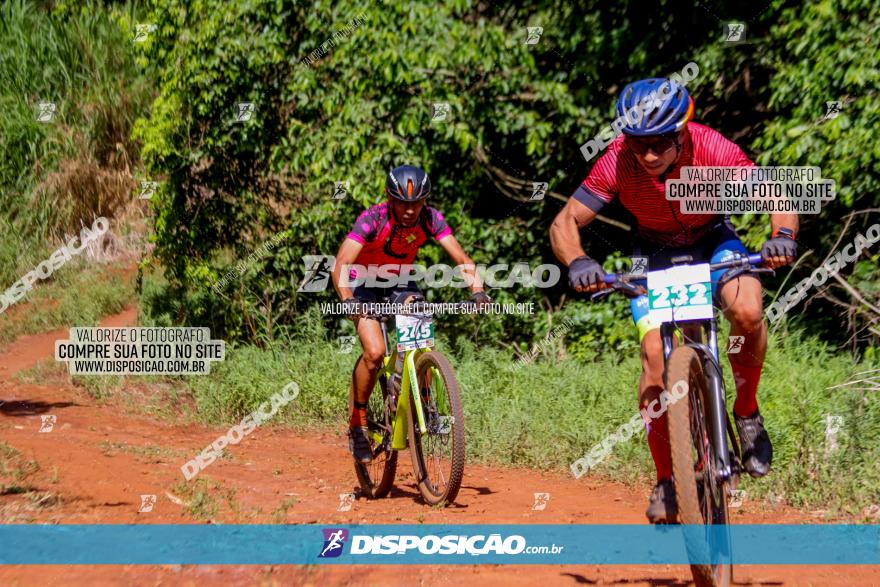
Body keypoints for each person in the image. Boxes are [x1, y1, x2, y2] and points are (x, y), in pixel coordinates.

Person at [549, 78, 798, 523]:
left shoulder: (712, 148)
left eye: (659, 143)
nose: (647, 155)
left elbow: (775, 191)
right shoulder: (618, 161)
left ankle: (746, 410)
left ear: (682, 132)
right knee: (653, 363)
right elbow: (565, 220)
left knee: (747, 310)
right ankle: (667, 479)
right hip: (653, 254)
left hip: (713, 240)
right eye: (639, 143)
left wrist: (782, 234)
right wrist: (577, 261)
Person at [331, 165, 490, 463]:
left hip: (399, 281)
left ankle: (425, 402)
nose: (410, 209)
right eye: (403, 202)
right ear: (390, 200)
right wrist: (348, 299)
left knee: (420, 331)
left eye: (417, 202)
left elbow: (461, 258)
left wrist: (477, 290)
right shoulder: (372, 219)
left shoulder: (430, 218)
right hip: (361, 282)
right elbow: (340, 263)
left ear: (425, 201)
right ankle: (358, 422)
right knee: (375, 352)